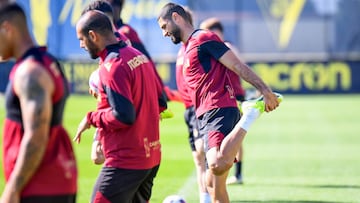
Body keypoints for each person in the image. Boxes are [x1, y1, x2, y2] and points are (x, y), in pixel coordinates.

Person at [157, 3, 280, 202]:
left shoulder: (203, 38)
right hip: (203, 116)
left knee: (216, 165)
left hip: (219, 108)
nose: (164, 33)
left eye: (164, 27)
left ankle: (249, 115)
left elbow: (237, 65)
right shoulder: (187, 47)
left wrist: (264, 90)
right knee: (213, 184)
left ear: (176, 18)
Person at [74, 10, 166, 202]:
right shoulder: (139, 56)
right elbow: (161, 102)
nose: (81, 45)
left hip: (126, 162)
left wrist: (92, 118)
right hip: (151, 157)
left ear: (93, 36)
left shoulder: (112, 66)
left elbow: (124, 116)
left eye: (82, 39)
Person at [0, 3, 77, 203]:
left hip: (40, 187)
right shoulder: (46, 61)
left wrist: (13, 188)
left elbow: (36, 135)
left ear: (7, 29)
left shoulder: (29, 72)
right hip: (55, 182)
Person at [199, 17, 246, 185]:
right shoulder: (213, 47)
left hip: (234, 95)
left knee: (235, 135)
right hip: (225, 96)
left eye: (209, 31)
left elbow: (240, 65)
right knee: (231, 135)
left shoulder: (226, 47)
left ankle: (237, 173)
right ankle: (232, 173)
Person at [175, 7, 211, 203]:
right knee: (198, 159)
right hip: (188, 110)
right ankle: (204, 197)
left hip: (199, 108)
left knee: (202, 151)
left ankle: (212, 195)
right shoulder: (182, 48)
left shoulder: (196, 45)